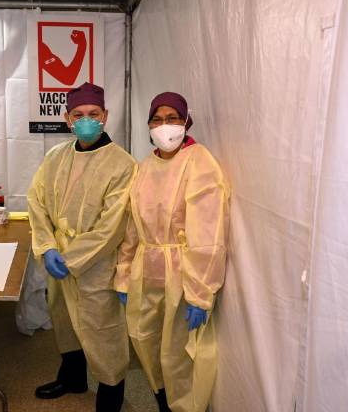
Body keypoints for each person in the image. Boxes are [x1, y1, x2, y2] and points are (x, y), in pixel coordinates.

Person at [115, 92, 230, 412]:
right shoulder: (145, 167)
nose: (165, 126)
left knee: (177, 353)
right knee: (144, 340)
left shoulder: (199, 162)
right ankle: (163, 402)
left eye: (173, 119)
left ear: (185, 122)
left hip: (183, 273)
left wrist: (200, 293)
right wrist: (124, 275)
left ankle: (183, 408)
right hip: (145, 269)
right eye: (157, 119)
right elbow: (132, 226)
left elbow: (208, 233)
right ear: (148, 125)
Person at [27, 82, 136, 411]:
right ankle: (72, 378)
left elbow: (111, 228)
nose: (86, 120)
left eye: (93, 114)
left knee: (103, 333)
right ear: (67, 118)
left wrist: (70, 257)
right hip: (57, 256)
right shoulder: (56, 156)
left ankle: (110, 399)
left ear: (106, 116)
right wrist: (47, 246)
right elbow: (37, 202)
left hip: (96, 264)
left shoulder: (122, 164)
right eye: (78, 114)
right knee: (63, 321)